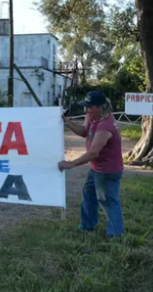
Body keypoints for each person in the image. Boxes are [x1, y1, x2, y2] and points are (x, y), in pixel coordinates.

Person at [58, 90, 125, 237]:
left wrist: (70, 163)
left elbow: (94, 152)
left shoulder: (106, 126)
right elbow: (84, 131)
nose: (86, 110)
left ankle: (116, 235)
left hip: (108, 170)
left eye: (90, 107)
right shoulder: (92, 117)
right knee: (88, 195)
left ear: (101, 107)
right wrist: (68, 122)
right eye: (85, 107)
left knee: (107, 201)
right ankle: (87, 226)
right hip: (97, 168)